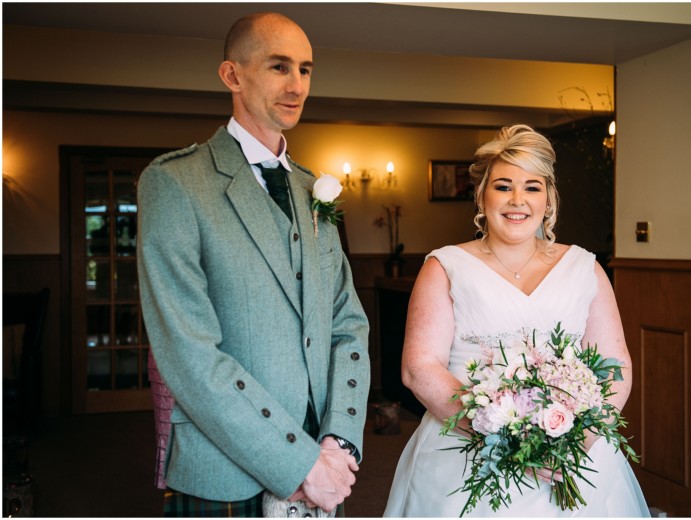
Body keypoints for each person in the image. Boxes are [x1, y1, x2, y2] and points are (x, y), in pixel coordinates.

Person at [137, 12, 370, 516]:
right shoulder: (175, 183)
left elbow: (348, 325)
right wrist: (301, 465)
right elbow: (189, 355)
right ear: (232, 75)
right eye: (279, 67)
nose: (297, 85)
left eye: (305, 69)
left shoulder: (315, 190)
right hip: (224, 475)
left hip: (325, 470)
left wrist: (338, 445)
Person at [383, 124, 649, 517]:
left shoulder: (584, 267)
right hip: (465, 454)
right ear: (482, 195)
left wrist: (577, 440)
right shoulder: (446, 266)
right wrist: (505, 440)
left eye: (532, 187)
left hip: (570, 459)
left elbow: (616, 366)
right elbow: (418, 368)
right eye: (503, 186)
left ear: (549, 198)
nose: (517, 200)